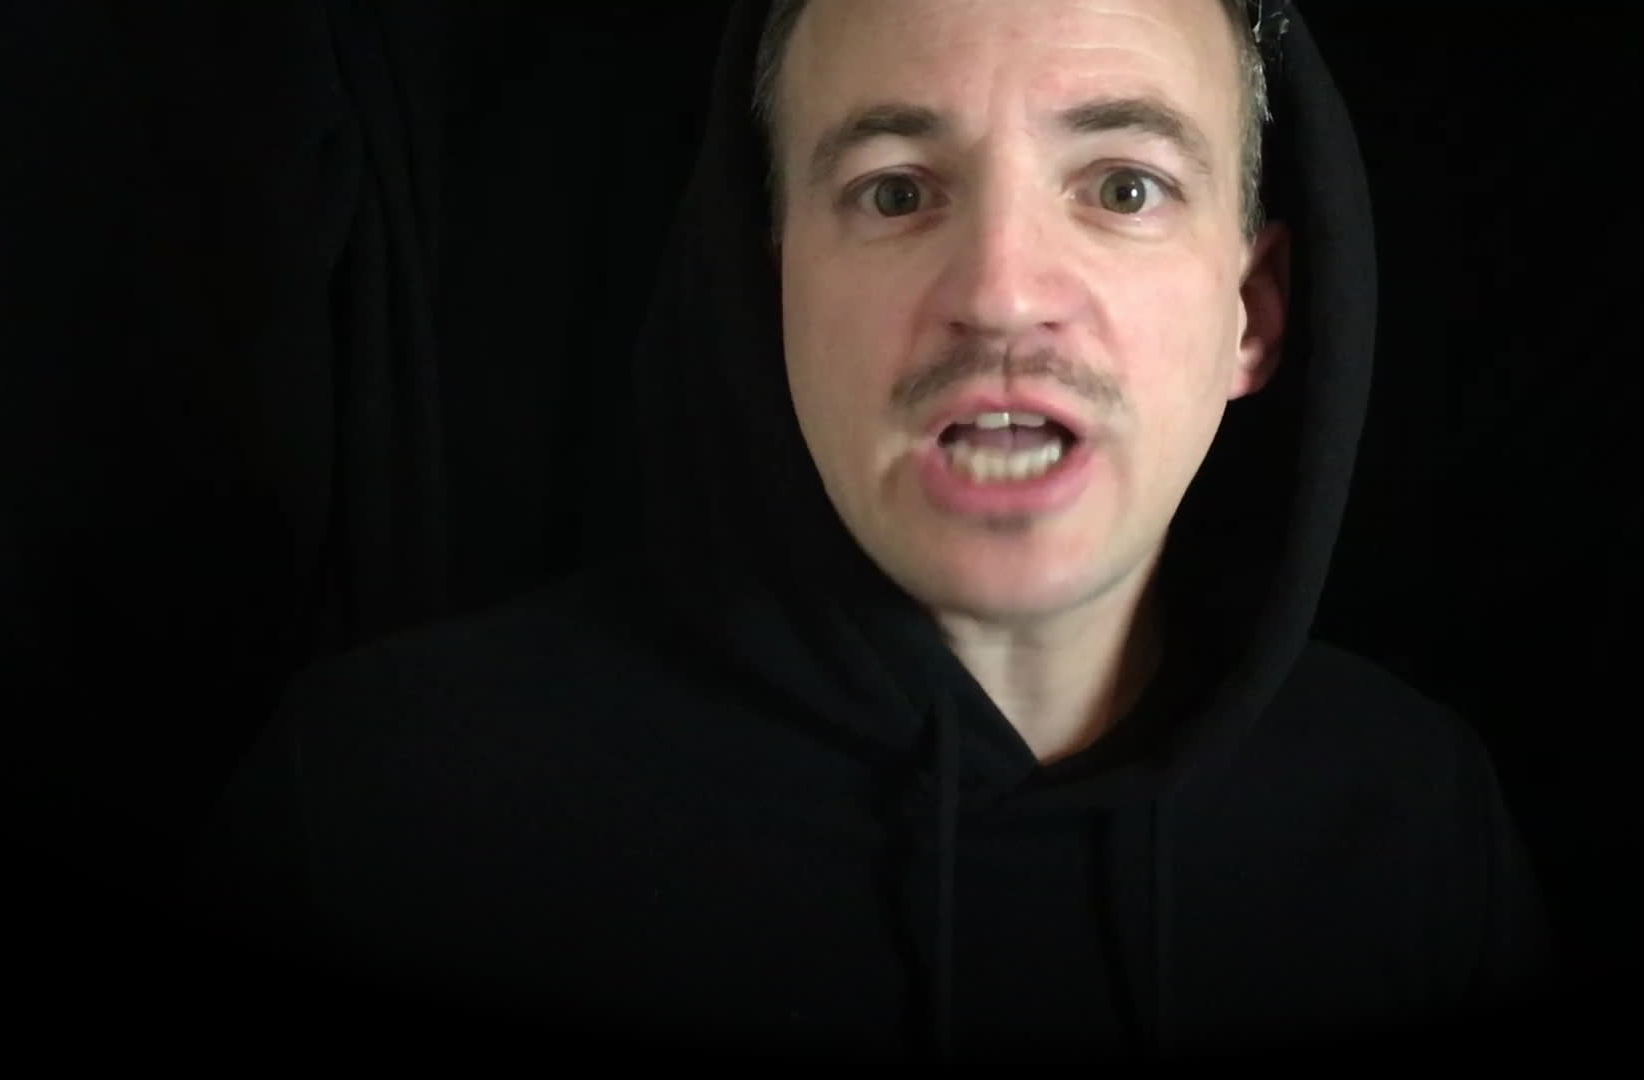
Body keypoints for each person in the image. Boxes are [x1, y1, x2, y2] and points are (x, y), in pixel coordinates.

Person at [188, 0, 1554, 1058]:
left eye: (1123, 187)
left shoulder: (1414, 825)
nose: (1001, 293)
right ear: (766, 291)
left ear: (1250, 316)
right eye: (895, 190)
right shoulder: (383, 823)